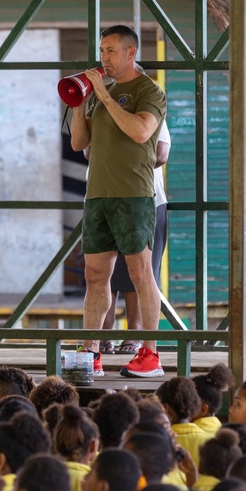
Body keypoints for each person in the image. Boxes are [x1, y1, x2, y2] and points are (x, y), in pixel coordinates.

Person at [69, 25, 167, 378]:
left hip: (134, 195)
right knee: (96, 275)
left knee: (141, 272)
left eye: (110, 50)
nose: (103, 58)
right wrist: (80, 104)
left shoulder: (147, 90)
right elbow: (79, 143)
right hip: (97, 195)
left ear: (130, 53)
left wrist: (106, 98)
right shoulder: (97, 92)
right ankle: (90, 351)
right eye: (101, 50)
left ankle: (151, 354)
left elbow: (142, 132)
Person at [99, 120, 171, 356]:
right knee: (101, 271)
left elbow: (161, 154)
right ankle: (102, 336)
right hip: (105, 197)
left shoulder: (150, 108)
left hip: (145, 199)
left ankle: (136, 335)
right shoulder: (100, 109)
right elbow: (88, 150)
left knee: (140, 271)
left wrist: (118, 156)